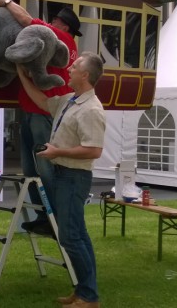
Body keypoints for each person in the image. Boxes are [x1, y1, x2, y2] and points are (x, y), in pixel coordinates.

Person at [17, 51, 106, 308]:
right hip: (62, 174)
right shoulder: (70, 100)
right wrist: (24, 78)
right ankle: (84, 291)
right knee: (78, 234)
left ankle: (89, 297)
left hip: (73, 177)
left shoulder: (91, 110)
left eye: (75, 66)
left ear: (85, 75)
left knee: (69, 237)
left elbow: (94, 150)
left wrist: (58, 152)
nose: (69, 69)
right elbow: (44, 103)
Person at [0, 0, 80, 233]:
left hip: (42, 110)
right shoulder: (69, 45)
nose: (51, 23)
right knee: (32, 170)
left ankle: (53, 217)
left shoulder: (59, 37)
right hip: (35, 110)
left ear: (64, 28)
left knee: (42, 169)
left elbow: (26, 20)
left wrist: (8, 2)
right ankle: (45, 216)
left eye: (55, 21)